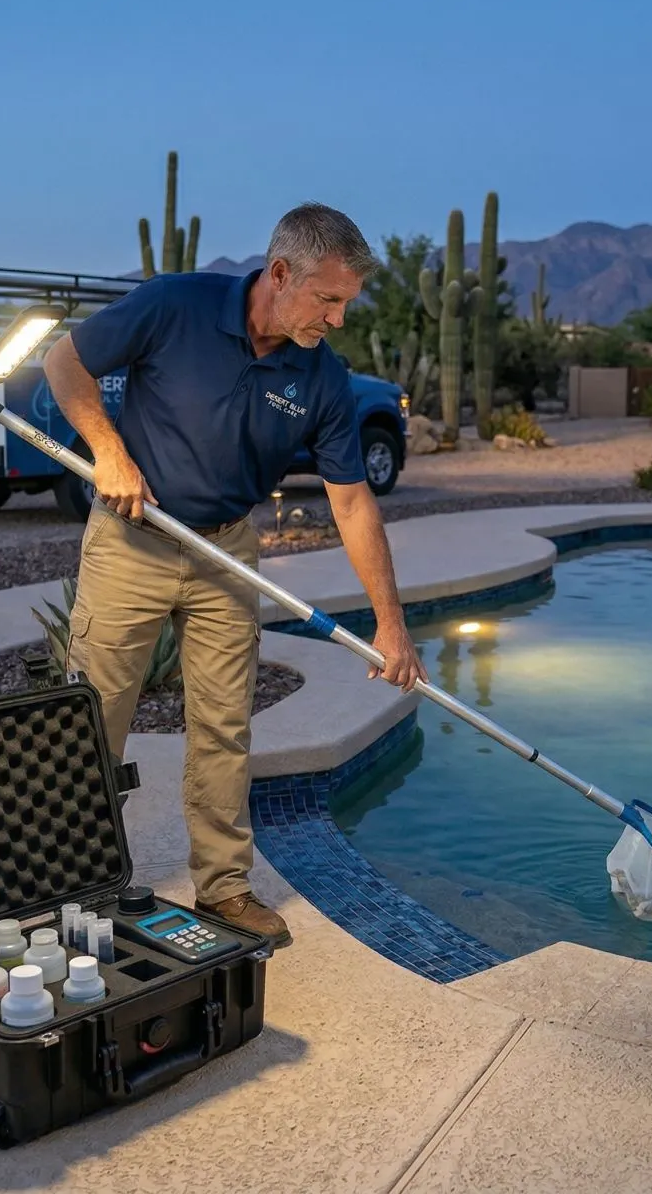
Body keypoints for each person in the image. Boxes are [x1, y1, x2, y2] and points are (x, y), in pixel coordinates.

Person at [42, 202, 427, 948]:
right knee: (93, 715)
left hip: (226, 551)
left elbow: (352, 503)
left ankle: (223, 888)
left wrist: (391, 624)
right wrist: (109, 452)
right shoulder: (175, 305)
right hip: (132, 541)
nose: (338, 319)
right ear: (280, 273)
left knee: (224, 724)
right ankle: (75, 878)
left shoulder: (323, 377)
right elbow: (66, 361)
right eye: (328, 299)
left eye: (346, 303)